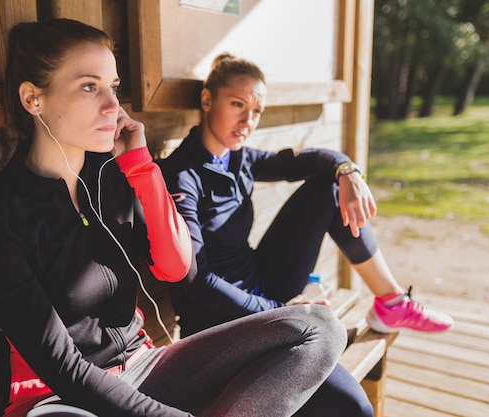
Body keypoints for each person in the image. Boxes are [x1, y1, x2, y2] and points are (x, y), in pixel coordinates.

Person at [0, 19, 350, 417]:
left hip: (145, 368)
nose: (112, 106)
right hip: (62, 400)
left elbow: (178, 267)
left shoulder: (114, 179)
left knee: (318, 329)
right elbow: (63, 369)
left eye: (112, 87)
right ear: (32, 99)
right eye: (89, 86)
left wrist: (141, 168)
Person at [160, 53, 456, 415]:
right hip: (222, 325)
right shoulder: (181, 176)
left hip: (264, 295)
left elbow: (312, 159)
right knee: (355, 408)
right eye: (237, 105)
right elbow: (198, 282)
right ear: (207, 100)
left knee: (328, 187)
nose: (247, 121)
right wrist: (279, 310)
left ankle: (391, 303)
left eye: (256, 111)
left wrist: (347, 170)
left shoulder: (238, 158)